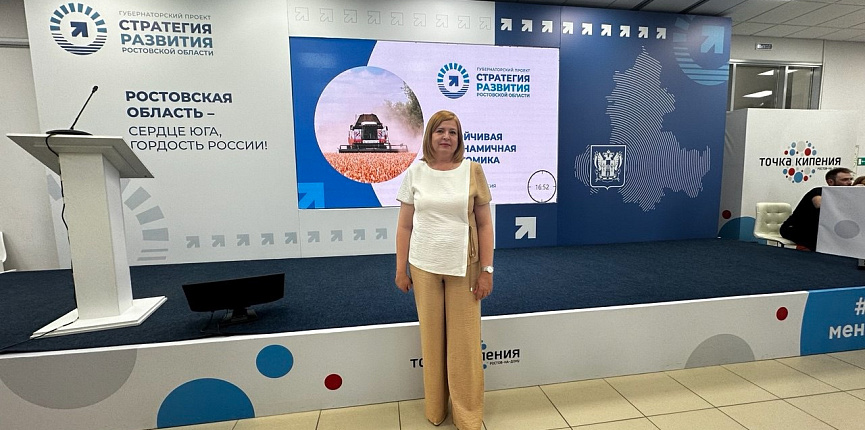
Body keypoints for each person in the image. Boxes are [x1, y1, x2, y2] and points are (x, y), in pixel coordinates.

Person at [395, 110, 493, 430]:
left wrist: (487, 270)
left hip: (465, 266)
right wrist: (400, 269)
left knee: (465, 344)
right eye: (440, 131)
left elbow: (484, 224)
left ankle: (467, 415)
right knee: (432, 341)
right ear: (430, 136)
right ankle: (436, 409)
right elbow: (405, 226)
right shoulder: (415, 172)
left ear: (459, 138)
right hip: (423, 267)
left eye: (452, 132)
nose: (446, 137)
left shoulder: (472, 171)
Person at [780, 167, 854, 250]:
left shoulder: (843, 196)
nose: (849, 182)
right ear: (830, 182)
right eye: (844, 180)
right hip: (793, 229)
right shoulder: (818, 191)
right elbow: (820, 205)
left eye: (851, 179)